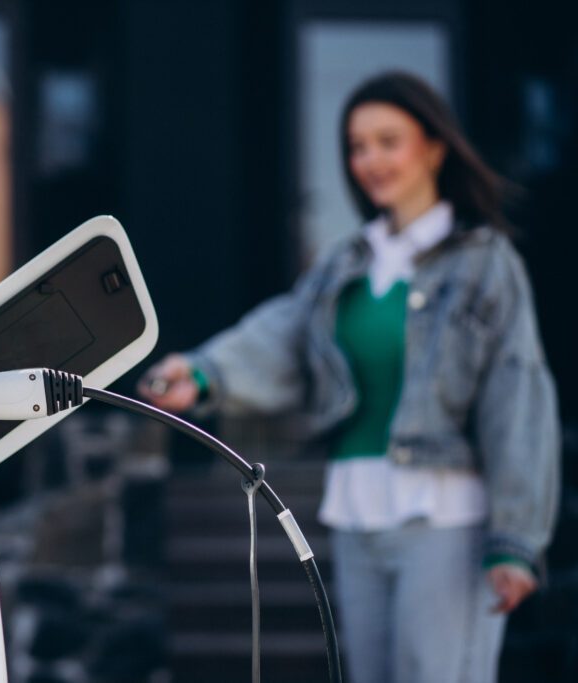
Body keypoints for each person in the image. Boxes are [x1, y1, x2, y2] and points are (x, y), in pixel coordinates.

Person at [138, 71, 560, 683]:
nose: (369, 160)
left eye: (389, 141)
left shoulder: (485, 263)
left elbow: (518, 398)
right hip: (358, 513)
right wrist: (203, 373)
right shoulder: (347, 261)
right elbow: (285, 334)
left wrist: (516, 540)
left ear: (434, 148)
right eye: (358, 146)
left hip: (445, 520)